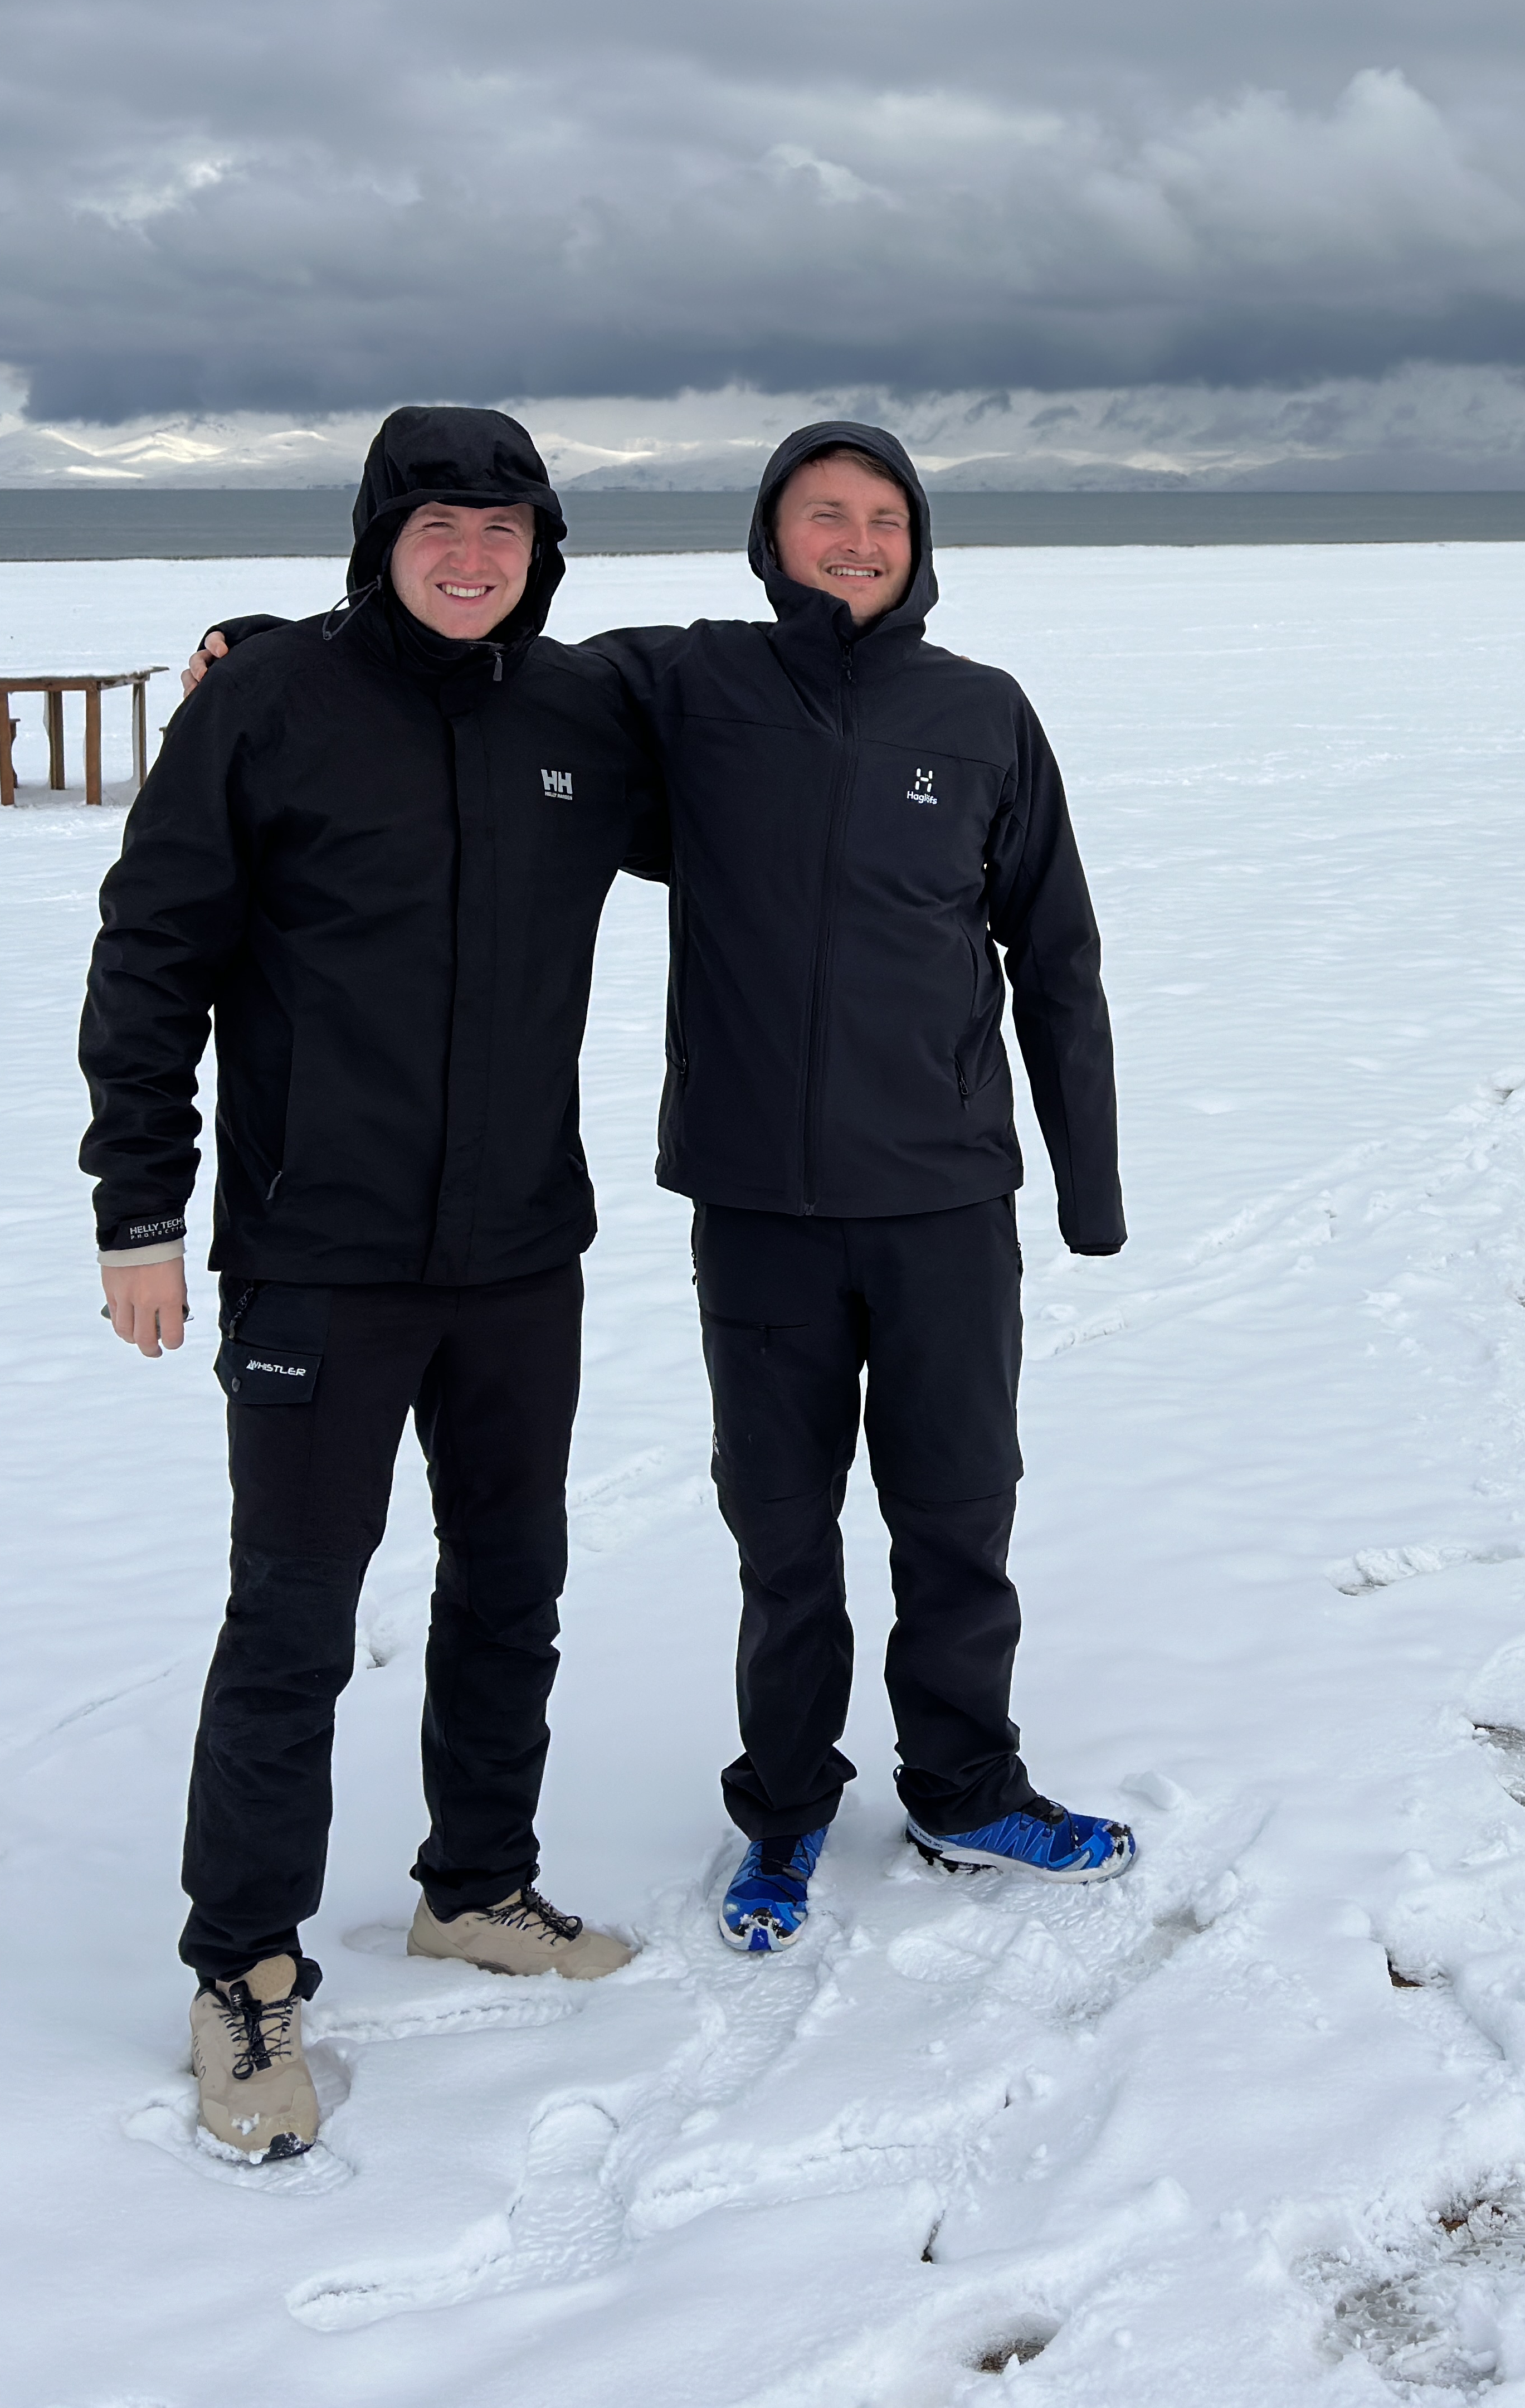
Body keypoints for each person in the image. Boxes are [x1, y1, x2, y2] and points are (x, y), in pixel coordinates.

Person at [188, 419, 1134, 1961]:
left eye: (881, 517)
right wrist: (284, 647)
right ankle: (783, 1808)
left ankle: (967, 1783)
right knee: (781, 1531)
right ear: (771, 540)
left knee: (959, 1512)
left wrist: (1084, 1179)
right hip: (755, 1202)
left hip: (945, 1196)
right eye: (820, 514)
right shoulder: (690, 686)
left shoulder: (981, 715)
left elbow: (1058, 955)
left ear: (920, 544)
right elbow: (474, 650)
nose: (853, 540)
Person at [82, 406, 661, 2166]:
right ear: (378, 540)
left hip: (518, 1255)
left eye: (503, 531)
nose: (471, 558)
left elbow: (760, 771)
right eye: (438, 529)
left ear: (542, 549)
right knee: (293, 1620)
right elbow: (152, 951)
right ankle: (244, 1968)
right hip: (317, 1257)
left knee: (513, 1583)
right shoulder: (267, 706)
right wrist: (139, 1208)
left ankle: (476, 1881)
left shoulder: (579, 715)